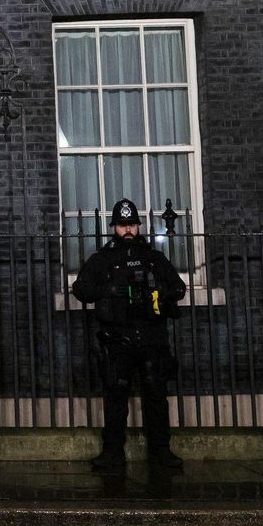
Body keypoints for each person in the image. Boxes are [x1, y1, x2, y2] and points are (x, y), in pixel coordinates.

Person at [71, 198, 187, 470]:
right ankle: (112, 453)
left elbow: (178, 288)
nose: (127, 229)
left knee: (156, 397)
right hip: (118, 338)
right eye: (122, 224)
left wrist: (158, 292)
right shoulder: (103, 259)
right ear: (114, 227)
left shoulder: (154, 258)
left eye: (132, 224)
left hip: (152, 337)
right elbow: (81, 289)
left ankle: (161, 452)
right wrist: (110, 291)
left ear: (138, 226)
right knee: (115, 397)